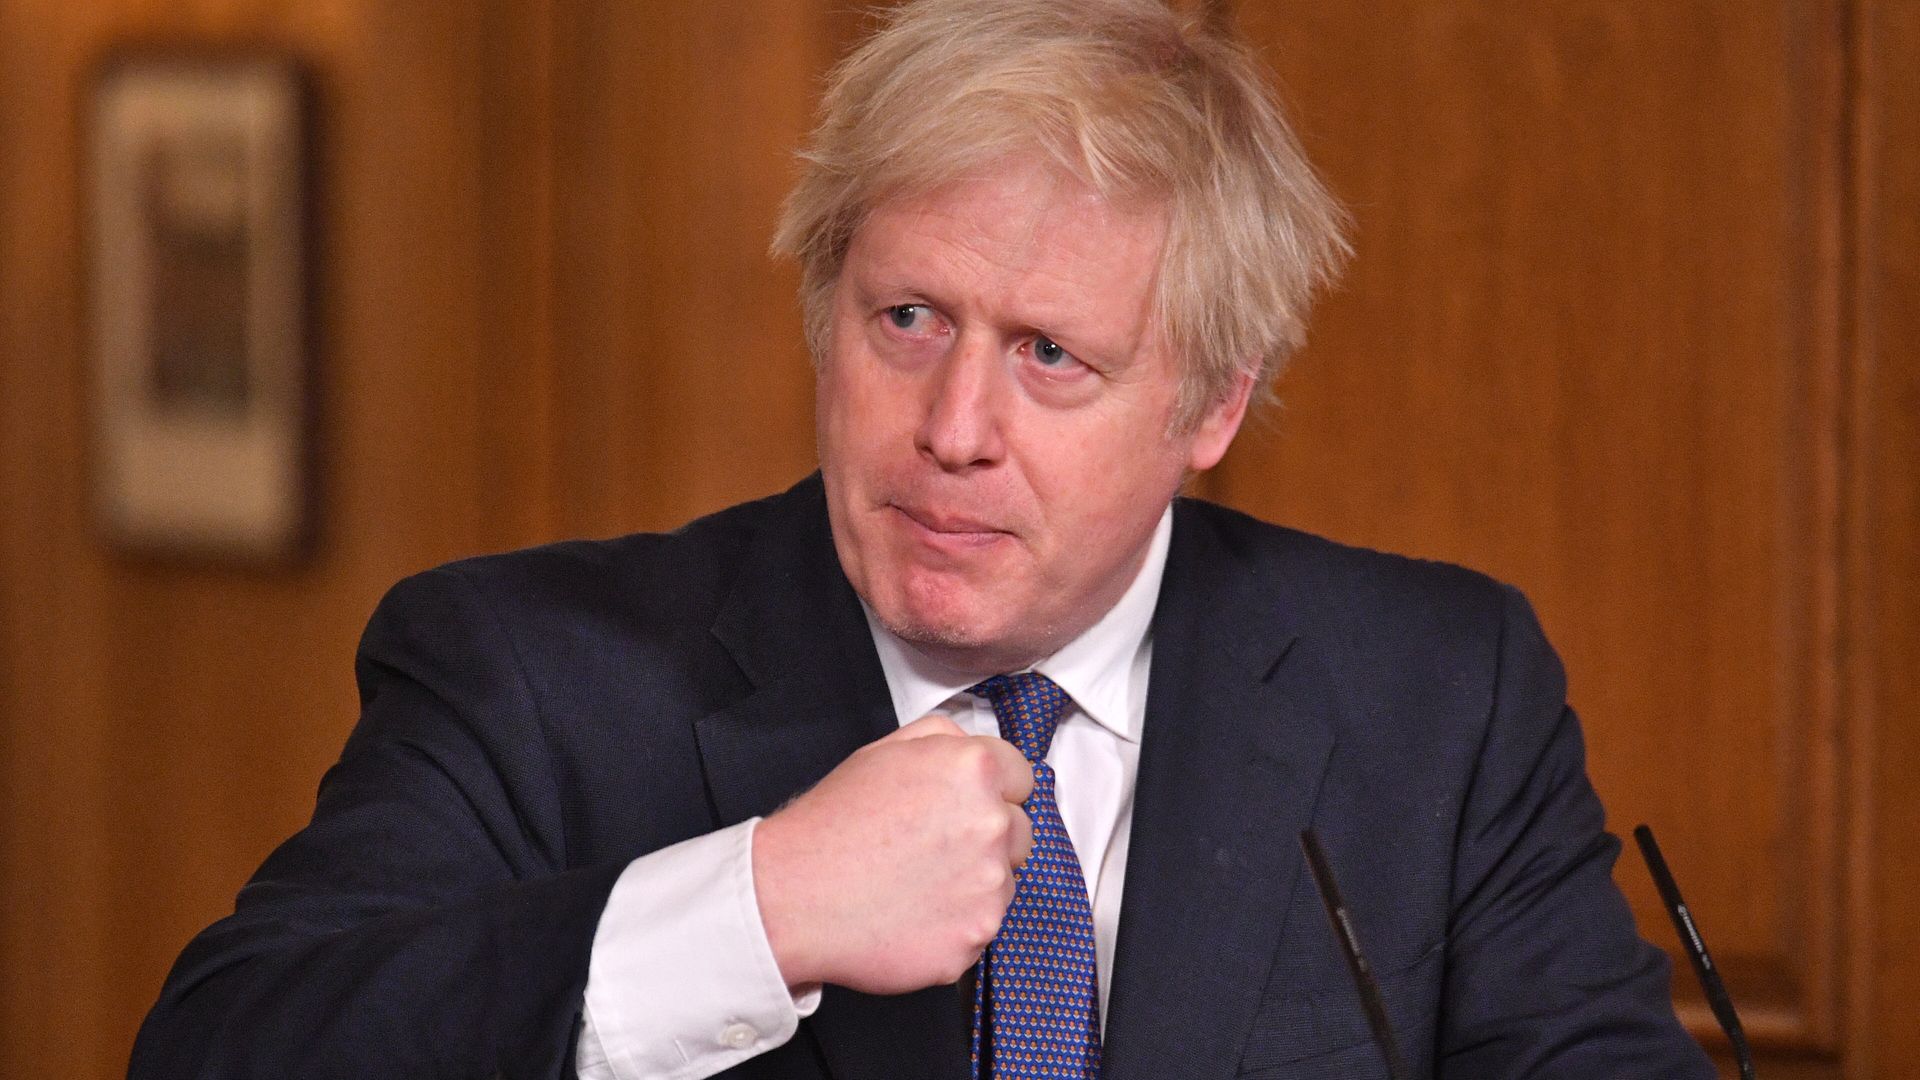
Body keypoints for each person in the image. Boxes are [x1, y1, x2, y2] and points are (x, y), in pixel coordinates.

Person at [131, 1, 1717, 1077]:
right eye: (907, 318)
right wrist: (754, 907)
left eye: (1052, 356)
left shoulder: (1438, 688)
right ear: (826, 312)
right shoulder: (535, 673)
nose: (954, 426)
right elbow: (221, 1048)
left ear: (1213, 406)